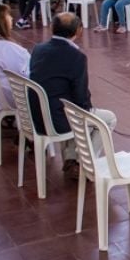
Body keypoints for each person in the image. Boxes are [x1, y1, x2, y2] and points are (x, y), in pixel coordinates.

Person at [29, 12, 117, 179]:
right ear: (78, 31)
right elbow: (80, 97)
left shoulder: (38, 49)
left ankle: (71, 158)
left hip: (37, 115)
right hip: (57, 119)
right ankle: (87, 163)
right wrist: (89, 112)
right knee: (107, 119)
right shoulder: (76, 56)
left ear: (52, 27)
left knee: (72, 109)